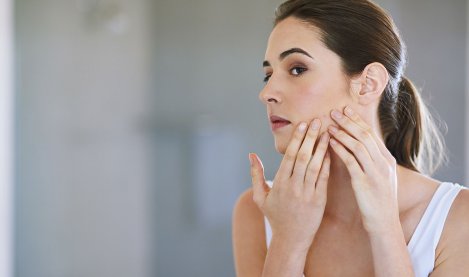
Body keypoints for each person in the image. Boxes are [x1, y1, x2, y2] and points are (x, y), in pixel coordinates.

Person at [232, 0, 469, 276]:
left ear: (368, 84)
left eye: (297, 69)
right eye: (268, 75)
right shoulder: (256, 213)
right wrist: (287, 241)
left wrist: (385, 230)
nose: (267, 93)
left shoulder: (456, 218)